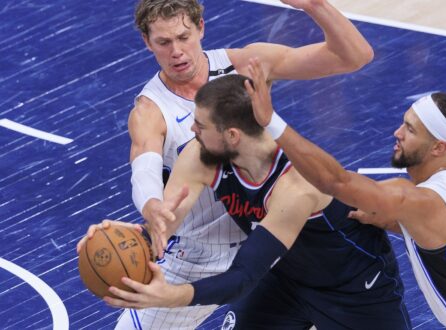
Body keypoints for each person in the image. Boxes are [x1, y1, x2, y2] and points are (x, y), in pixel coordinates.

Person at [79, 73, 412, 329]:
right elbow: (165, 225)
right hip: (285, 281)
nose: (191, 129)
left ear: (232, 135)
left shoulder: (297, 184)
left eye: (200, 124)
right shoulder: (201, 153)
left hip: (355, 290)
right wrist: (136, 236)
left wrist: (172, 296)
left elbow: (242, 276)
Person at [124, 0, 373, 328]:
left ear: (201, 28)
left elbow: (354, 56)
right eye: (164, 43)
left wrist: (316, 6)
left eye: (184, 37)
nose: (177, 51)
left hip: (276, 236)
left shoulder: (246, 65)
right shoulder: (150, 111)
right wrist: (151, 206)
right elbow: (144, 168)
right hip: (200, 251)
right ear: (147, 42)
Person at [248, 59, 446, 329]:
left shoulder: (421, 201)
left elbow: (335, 181)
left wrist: (270, 121)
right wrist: (391, 219)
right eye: (404, 122)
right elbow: (443, 236)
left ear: (439, 147)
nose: (397, 133)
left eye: (411, 130)